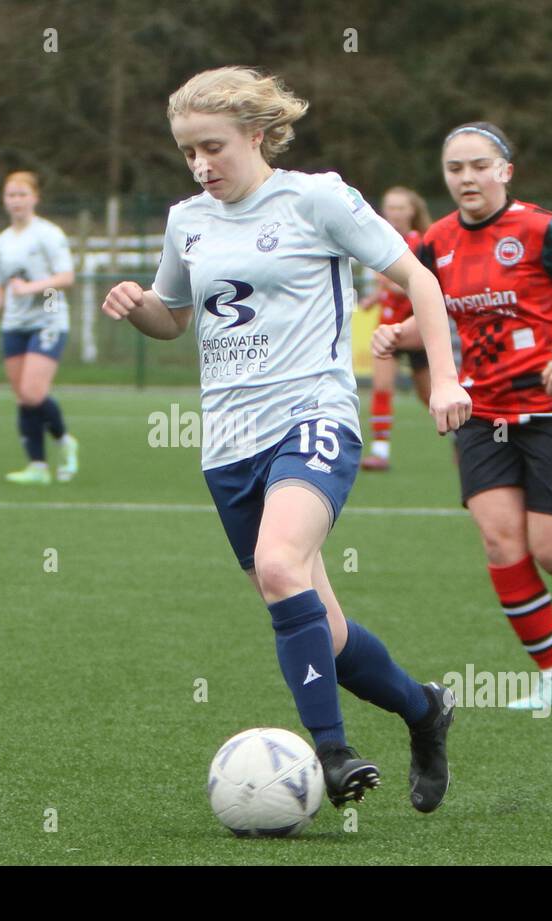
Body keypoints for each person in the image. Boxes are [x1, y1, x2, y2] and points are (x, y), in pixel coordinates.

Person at [101, 66, 471, 811]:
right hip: (227, 447)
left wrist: (445, 378)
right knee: (321, 629)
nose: (202, 166)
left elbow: (421, 279)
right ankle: (424, 710)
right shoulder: (187, 221)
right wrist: (138, 306)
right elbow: (174, 318)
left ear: (258, 135)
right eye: (187, 152)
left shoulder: (316, 198)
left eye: (214, 147)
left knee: (277, 566)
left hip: (313, 419)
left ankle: (330, 755)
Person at [376, 121, 552, 711]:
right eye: (455, 168)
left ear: (505, 171)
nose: (467, 177)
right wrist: (396, 333)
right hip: (482, 412)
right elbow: (432, 311)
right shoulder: (437, 242)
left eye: (479, 165)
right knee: (502, 542)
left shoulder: (540, 230)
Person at [0, 171, 80, 485]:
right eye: (10, 195)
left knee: (34, 393)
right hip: (14, 324)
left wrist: (33, 287)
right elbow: (0, 285)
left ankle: (64, 441)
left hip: (48, 320)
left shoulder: (48, 234)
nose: (16, 201)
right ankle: (37, 467)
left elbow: (66, 277)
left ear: (35, 198)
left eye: (22, 194)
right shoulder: (1, 242)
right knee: (22, 396)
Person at [357, 187, 433, 471]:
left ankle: (466, 438)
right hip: (386, 328)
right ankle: (380, 451)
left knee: (429, 395)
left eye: (401, 207)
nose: (395, 213)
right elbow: (387, 287)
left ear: (412, 211)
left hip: (415, 331)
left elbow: (419, 288)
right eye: (390, 207)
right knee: (381, 388)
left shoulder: (421, 243)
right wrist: (373, 298)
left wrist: (387, 284)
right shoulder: (382, 240)